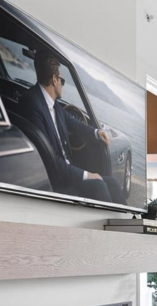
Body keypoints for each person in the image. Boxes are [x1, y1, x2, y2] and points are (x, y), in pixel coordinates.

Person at [17, 53, 113, 202]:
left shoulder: (53, 104)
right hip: (55, 179)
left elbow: (74, 124)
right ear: (54, 80)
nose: (62, 84)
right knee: (99, 185)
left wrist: (96, 132)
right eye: (62, 80)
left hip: (66, 170)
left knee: (112, 183)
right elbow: (49, 160)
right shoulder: (32, 103)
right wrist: (87, 175)